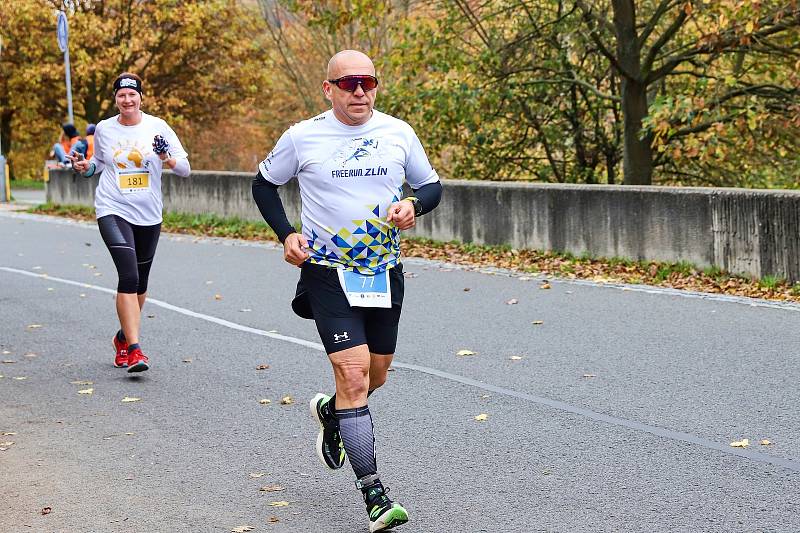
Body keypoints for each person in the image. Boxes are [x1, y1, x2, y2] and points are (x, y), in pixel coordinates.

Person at [252, 50, 442, 532]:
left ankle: (332, 414)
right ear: (328, 88)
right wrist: (286, 235)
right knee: (354, 376)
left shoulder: (398, 132)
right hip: (327, 270)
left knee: (376, 375)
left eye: (368, 82)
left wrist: (413, 205)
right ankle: (375, 495)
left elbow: (432, 186)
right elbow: (263, 185)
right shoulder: (303, 135)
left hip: (383, 270)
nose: (360, 91)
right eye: (348, 83)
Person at [68, 72, 190, 373]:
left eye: (132, 95)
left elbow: (185, 169)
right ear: (115, 100)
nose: (127, 100)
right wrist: (85, 168)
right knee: (129, 276)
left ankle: (123, 337)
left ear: (140, 98)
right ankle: (135, 350)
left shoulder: (157, 127)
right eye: (121, 95)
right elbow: (99, 163)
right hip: (113, 207)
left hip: (148, 214)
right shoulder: (105, 130)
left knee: (141, 282)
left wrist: (166, 158)